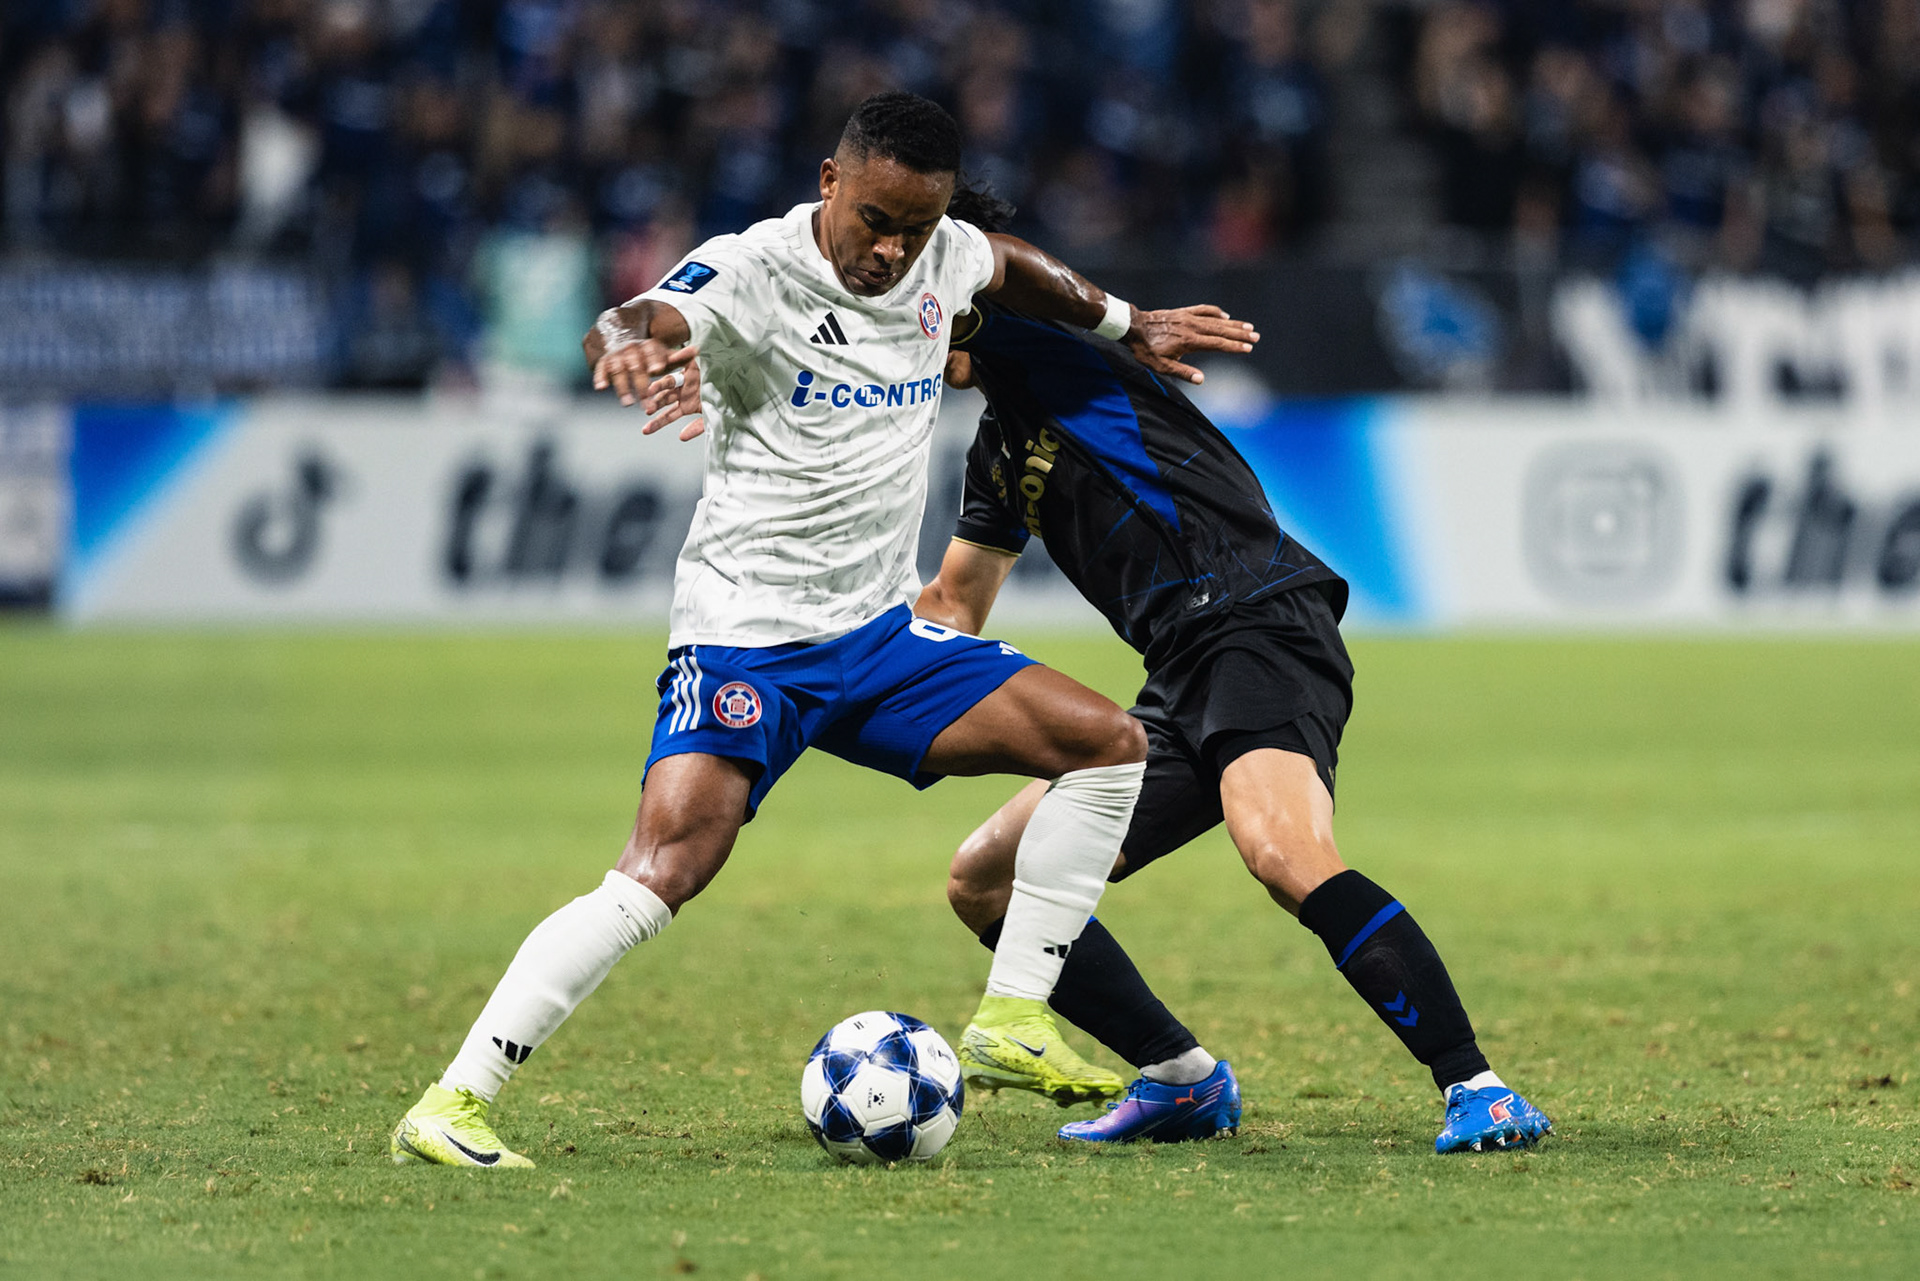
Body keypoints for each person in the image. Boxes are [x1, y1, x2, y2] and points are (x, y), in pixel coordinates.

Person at [389, 93, 1258, 1168]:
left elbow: (1009, 265)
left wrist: (1128, 322)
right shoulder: (752, 268)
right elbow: (640, 316)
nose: (892, 250)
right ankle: (455, 1100)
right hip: (747, 640)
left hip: (879, 640)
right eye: (875, 221)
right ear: (830, 181)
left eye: (916, 228)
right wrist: (627, 345)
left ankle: (1013, 1014)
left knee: (1109, 744)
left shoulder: (945, 254)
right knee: (665, 867)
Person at [914, 186, 1554, 1154]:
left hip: (1257, 621)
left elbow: (988, 266)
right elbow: (953, 606)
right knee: (985, 878)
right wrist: (839, 661)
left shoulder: (1053, 353)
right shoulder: (1001, 444)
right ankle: (1182, 1079)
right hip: (1179, 671)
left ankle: (1480, 1087)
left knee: (1284, 853)